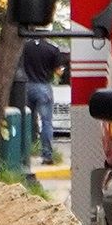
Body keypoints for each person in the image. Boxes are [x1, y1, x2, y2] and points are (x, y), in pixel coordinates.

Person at [22, 34, 70, 162]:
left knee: (27, 121)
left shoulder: (25, 46)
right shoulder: (51, 49)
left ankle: (24, 155)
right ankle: (47, 155)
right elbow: (59, 71)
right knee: (46, 122)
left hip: (26, 87)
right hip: (43, 88)